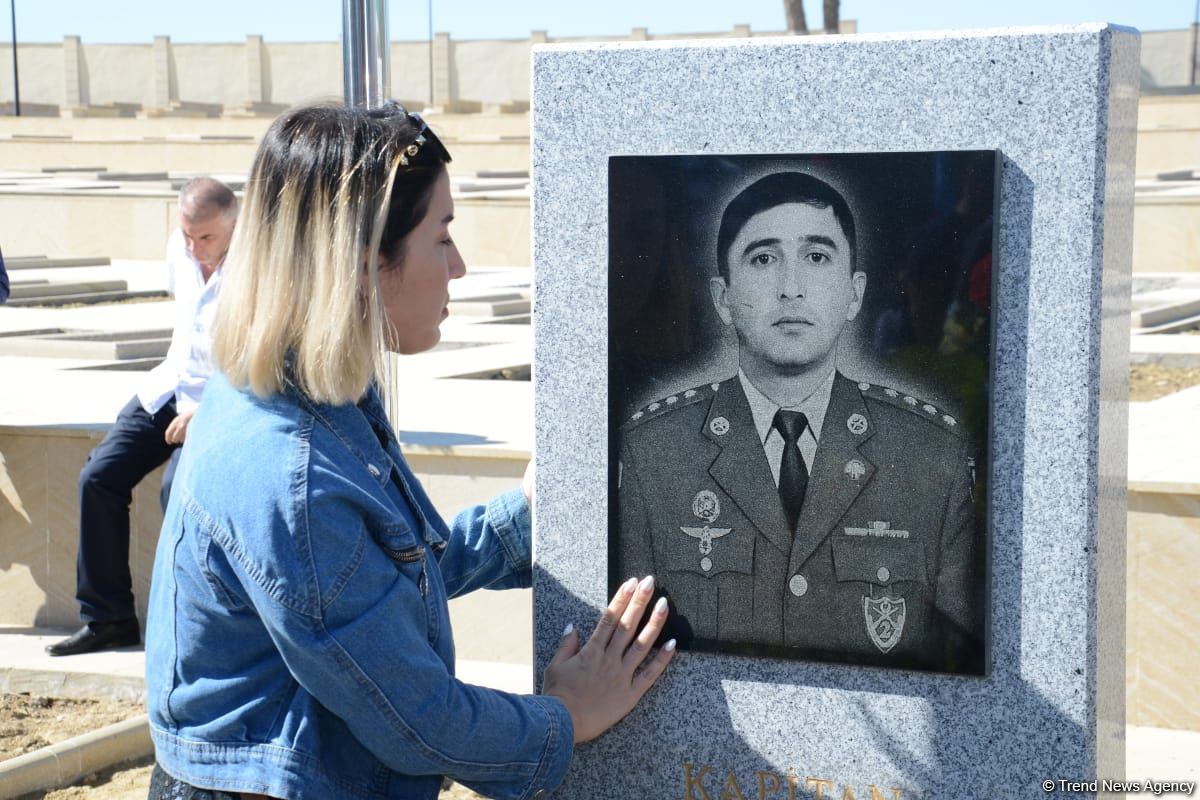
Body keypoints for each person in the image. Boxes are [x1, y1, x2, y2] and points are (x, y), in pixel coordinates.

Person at [144, 102, 675, 800]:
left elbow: (373, 589)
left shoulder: (308, 392)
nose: (458, 266)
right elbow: (420, 721)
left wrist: (523, 519)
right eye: (442, 236)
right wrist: (565, 717)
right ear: (365, 265)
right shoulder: (291, 473)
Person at [615, 171, 983, 673]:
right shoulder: (656, 450)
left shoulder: (927, 453)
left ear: (854, 293)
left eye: (816, 257)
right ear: (724, 299)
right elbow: (629, 640)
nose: (791, 289)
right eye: (764, 259)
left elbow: (961, 654)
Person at [46, 178, 237, 657]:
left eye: (206, 238)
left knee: (179, 490)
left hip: (225, 400)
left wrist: (208, 409)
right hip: (168, 389)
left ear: (234, 224)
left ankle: (192, 628)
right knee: (99, 476)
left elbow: (260, 356)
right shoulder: (182, 246)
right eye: (187, 235)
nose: (194, 249)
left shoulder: (260, 267)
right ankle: (108, 618)